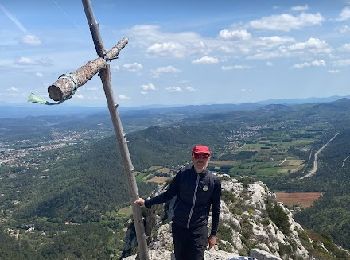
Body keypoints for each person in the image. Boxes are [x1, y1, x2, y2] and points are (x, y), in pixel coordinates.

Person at [134, 145, 221, 260]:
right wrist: (147, 203)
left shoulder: (214, 182)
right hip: (179, 226)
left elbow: (216, 209)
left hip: (198, 229)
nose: (200, 159)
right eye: (197, 156)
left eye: (204, 156)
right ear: (192, 157)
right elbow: (168, 194)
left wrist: (213, 234)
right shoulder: (183, 174)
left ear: (209, 158)